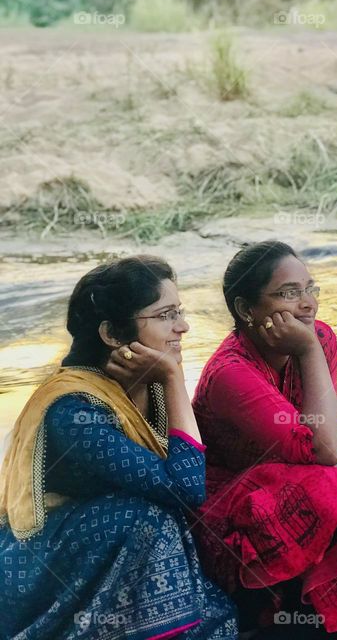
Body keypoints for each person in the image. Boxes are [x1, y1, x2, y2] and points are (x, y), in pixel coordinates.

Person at [190, 240, 337, 639]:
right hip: (232, 513)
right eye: (288, 293)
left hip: (291, 501)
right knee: (328, 482)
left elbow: (325, 441)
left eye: (310, 289)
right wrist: (306, 347)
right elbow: (322, 451)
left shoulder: (319, 340)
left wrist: (311, 350)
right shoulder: (231, 374)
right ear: (246, 310)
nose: (307, 304)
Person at [0, 256, 237, 639]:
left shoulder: (144, 384)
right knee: (145, 516)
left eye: (179, 312)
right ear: (111, 333)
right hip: (40, 573)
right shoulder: (72, 409)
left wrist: (168, 380)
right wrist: (175, 379)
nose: (183, 327)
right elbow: (186, 487)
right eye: (165, 316)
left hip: (101, 557)